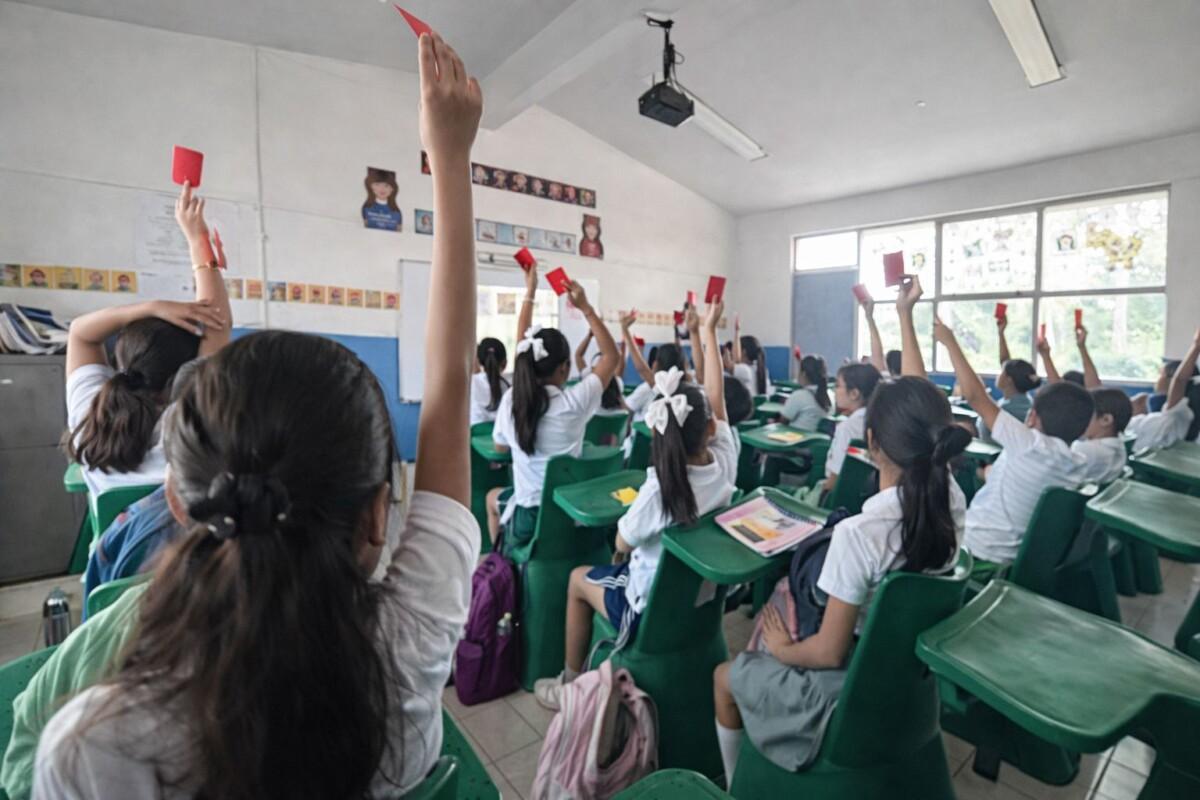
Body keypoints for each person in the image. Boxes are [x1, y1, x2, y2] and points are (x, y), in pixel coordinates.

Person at [33, 30, 484, 800]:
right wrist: (449, 159)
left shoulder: (94, 742)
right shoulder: (408, 652)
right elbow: (450, 378)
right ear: (381, 515)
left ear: (176, 495)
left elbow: (445, 383)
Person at [712, 375, 970, 781]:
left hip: (847, 691)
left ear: (871, 443)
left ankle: (735, 784)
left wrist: (781, 650)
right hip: (909, 684)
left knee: (724, 678)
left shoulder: (861, 535)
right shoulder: (952, 500)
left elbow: (827, 654)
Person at [536, 302, 736, 710]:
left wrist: (618, 547)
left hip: (648, 609)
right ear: (710, 430)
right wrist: (709, 332)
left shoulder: (660, 490)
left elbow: (624, 540)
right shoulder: (726, 462)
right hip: (702, 600)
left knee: (578, 580)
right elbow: (718, 400)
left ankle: (568, 686)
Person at [62, 182, 231, 498]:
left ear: (122, 359)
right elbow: (218, 322)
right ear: (186, 374)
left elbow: (80, 332)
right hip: (181, 548)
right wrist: (198, 237)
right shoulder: (186, 423)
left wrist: (148, 307)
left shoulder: (90, 414)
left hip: (113, 547)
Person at [937, 317, 1110, 571]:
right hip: (1015, 556)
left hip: (976, 552)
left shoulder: (1029, 444)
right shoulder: (1077, 464)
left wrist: (950, 342)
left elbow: (975, 396)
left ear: (1032, 417)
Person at [484, 265, 621, 551]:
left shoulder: (511, 402)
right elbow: (611, 355)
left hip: (529, 520)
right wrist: (586, 309)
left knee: (493, 498)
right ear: (564, 369)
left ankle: (503, 563)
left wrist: (531, 292)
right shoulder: (574, 403)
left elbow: (499, 451)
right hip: (568, 516)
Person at [1125, 328, 1200, 450]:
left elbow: (1179, 380)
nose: (1157, 379)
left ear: (1170, 381)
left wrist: (1196, 346)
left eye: (1161, 375)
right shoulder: (1164, 411)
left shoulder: (1177, 416)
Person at [979, 316, 1042, 442]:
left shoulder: (1007, 410)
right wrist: (1001, 333)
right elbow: (1006, 362)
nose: (998, 375)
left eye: (1002, 372)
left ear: (1009, 380)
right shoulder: (1023, 401)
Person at [779, 355, 831, 431]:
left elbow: (783, 421)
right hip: (819, 441)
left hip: (796, 440)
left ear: (804, 374)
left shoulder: (799, 395)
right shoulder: (830, 395)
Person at [471, 337, 509, 426]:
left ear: (479, 361)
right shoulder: (514, 381)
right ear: (505, 363)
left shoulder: (469, 383)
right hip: (504, 437)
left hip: (474, 437)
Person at [732, 316, 771, 397]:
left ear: (743, 352)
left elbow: (735, 360)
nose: (732, 352)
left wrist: (737, 332)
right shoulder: (762, 370)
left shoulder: (743, 370)